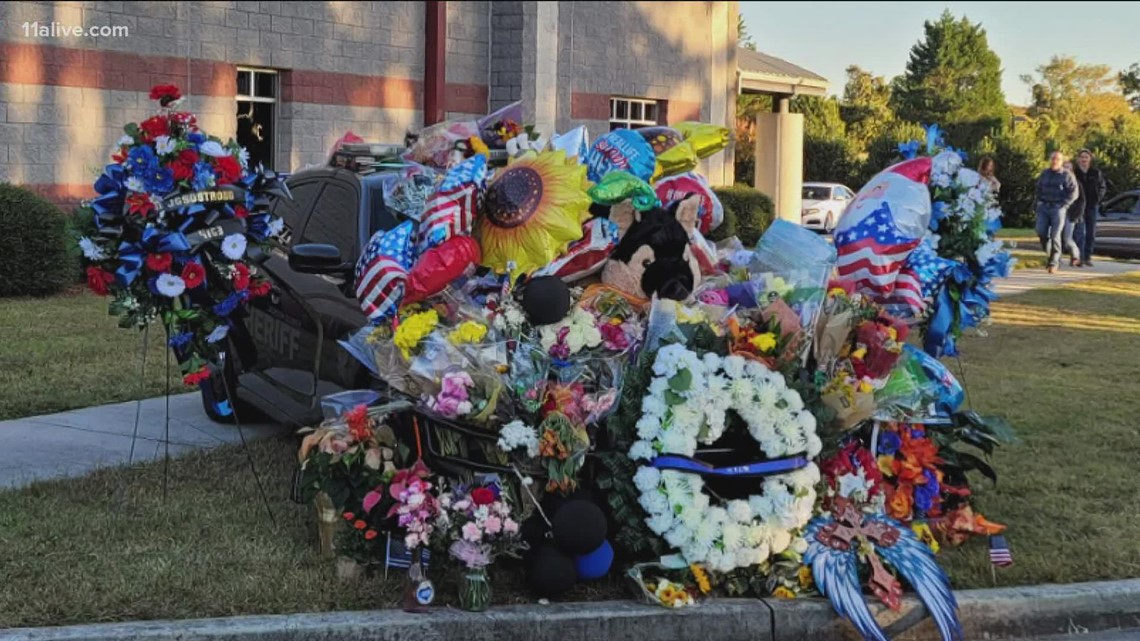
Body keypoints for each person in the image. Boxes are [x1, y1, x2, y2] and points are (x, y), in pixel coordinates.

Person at [1034, 151, 1079, 274]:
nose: (1054, 161)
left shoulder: (1067, 175)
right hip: (1044, 207)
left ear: (1061, 162)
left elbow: (1074, 192)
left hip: (1058, 208)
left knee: (1055, 235)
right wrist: (1038, 202)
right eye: (1053, 158)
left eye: (1057, 159)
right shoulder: (1045, 173)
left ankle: (1054, 262)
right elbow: (1038, 188)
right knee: (1040, 231)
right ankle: (1050, 254)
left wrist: (1064, 204)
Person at [1072, 149, 1106, 267]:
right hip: (1079, 206)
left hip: (1091, 206)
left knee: (1090, 232)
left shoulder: (1096, 173)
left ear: (1090, 159)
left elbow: (1102, 187)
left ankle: (1087, 256)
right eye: (1082, 157)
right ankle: (1078, 256)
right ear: (1078, 160)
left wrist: (1098, 198)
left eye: (1086, 157)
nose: (1084, 160)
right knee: (1079, 232)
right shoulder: (1074, 173)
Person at [1061, 160, 1085, 267]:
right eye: (1064, 167)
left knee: (1067, 238)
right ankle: (1055, 259)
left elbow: (1082, 201)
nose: (1066, 170)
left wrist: (1076, 215)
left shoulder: (1077, 183)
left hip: (1071, 214)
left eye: (1068, 168)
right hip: (1058, 213)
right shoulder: (1057, 182)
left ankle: (1075, 256)